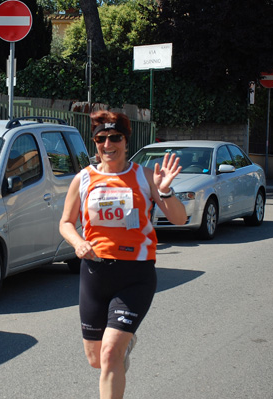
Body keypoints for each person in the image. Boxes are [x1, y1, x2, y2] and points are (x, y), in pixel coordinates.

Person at [59, 110, 187, 399]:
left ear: (126, 141)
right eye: (101, 139)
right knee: (96, 358)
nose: (108, 144)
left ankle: (119, 346)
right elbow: (65, 223)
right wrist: (78, 242)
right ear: (95, 143)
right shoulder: (83, 179)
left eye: (114, 137)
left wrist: (165, 192)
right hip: (95, 273)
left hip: (136, 274)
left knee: (109, 353)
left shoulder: (143, 176)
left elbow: (178, 219)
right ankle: (124, 345)